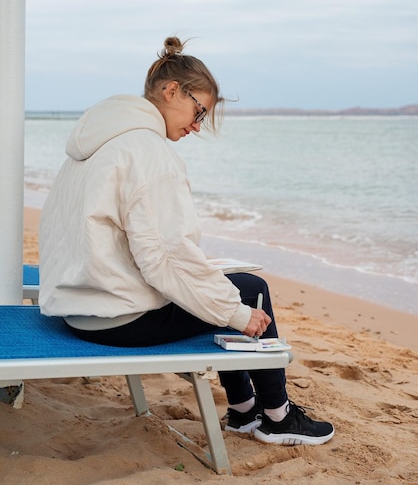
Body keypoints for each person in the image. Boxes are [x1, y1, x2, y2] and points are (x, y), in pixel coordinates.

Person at [39, 36, 334, 446]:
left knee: (223, 285)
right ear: (171, 91)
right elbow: (164, 257)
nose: (196, 126)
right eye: (199, 112)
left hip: (78, 309)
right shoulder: (147, 152)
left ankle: (244, 410)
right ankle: (278, 417)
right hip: (117, 319)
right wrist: (234, 312)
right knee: (250, 293)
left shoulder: (94, 144)